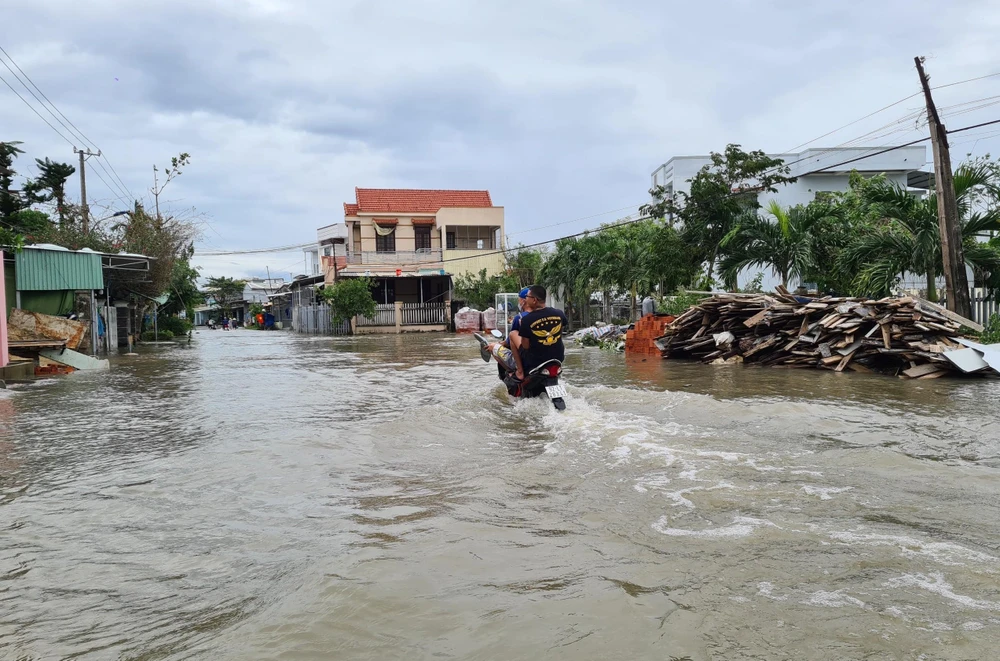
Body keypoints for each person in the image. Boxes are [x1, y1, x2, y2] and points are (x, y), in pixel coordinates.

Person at [510, 284, 568, 382]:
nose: (525, 299)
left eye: (527, 297)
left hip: (535, 361)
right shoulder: (559, 313)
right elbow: (559, 333)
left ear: (534, 300)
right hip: (558, 357)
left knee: (512, 334)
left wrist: (524, 328)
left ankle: (520, 372)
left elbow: (525, 346)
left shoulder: (526, 320)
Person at [488, 287, 530, 380]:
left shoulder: (519, 318)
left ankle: (514, 373)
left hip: (526, 359)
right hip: (544, 358)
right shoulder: (545, 316)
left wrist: (500, 343)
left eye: (519, 300)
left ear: (524, 301)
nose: (519, 303)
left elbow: (509, 341)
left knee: (492, 347)